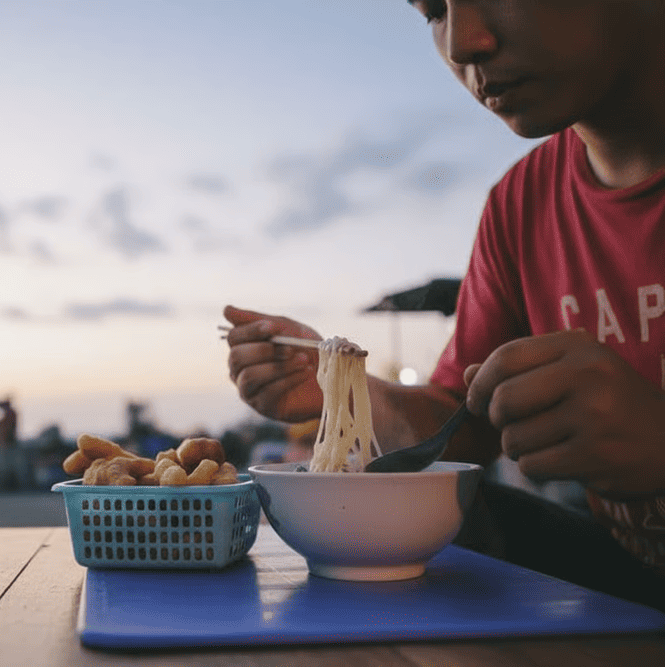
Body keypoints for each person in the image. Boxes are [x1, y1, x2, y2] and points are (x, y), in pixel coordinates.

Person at [224, 0, 665, 609]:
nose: (463, 44)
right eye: (433, 12)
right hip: (633, 577)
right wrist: (336, 386)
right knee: (453, 512)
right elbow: (460, 436)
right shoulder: (522, 204)